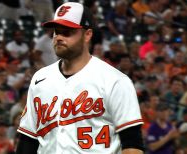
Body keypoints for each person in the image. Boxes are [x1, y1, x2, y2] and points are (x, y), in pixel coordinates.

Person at [16, 2, 144, 154]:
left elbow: (132, 144)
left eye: (67, 32)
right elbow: (28, 140)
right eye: (56, 32)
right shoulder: (40, 78)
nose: (59, 37)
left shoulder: (115, 81)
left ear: (87, 35)